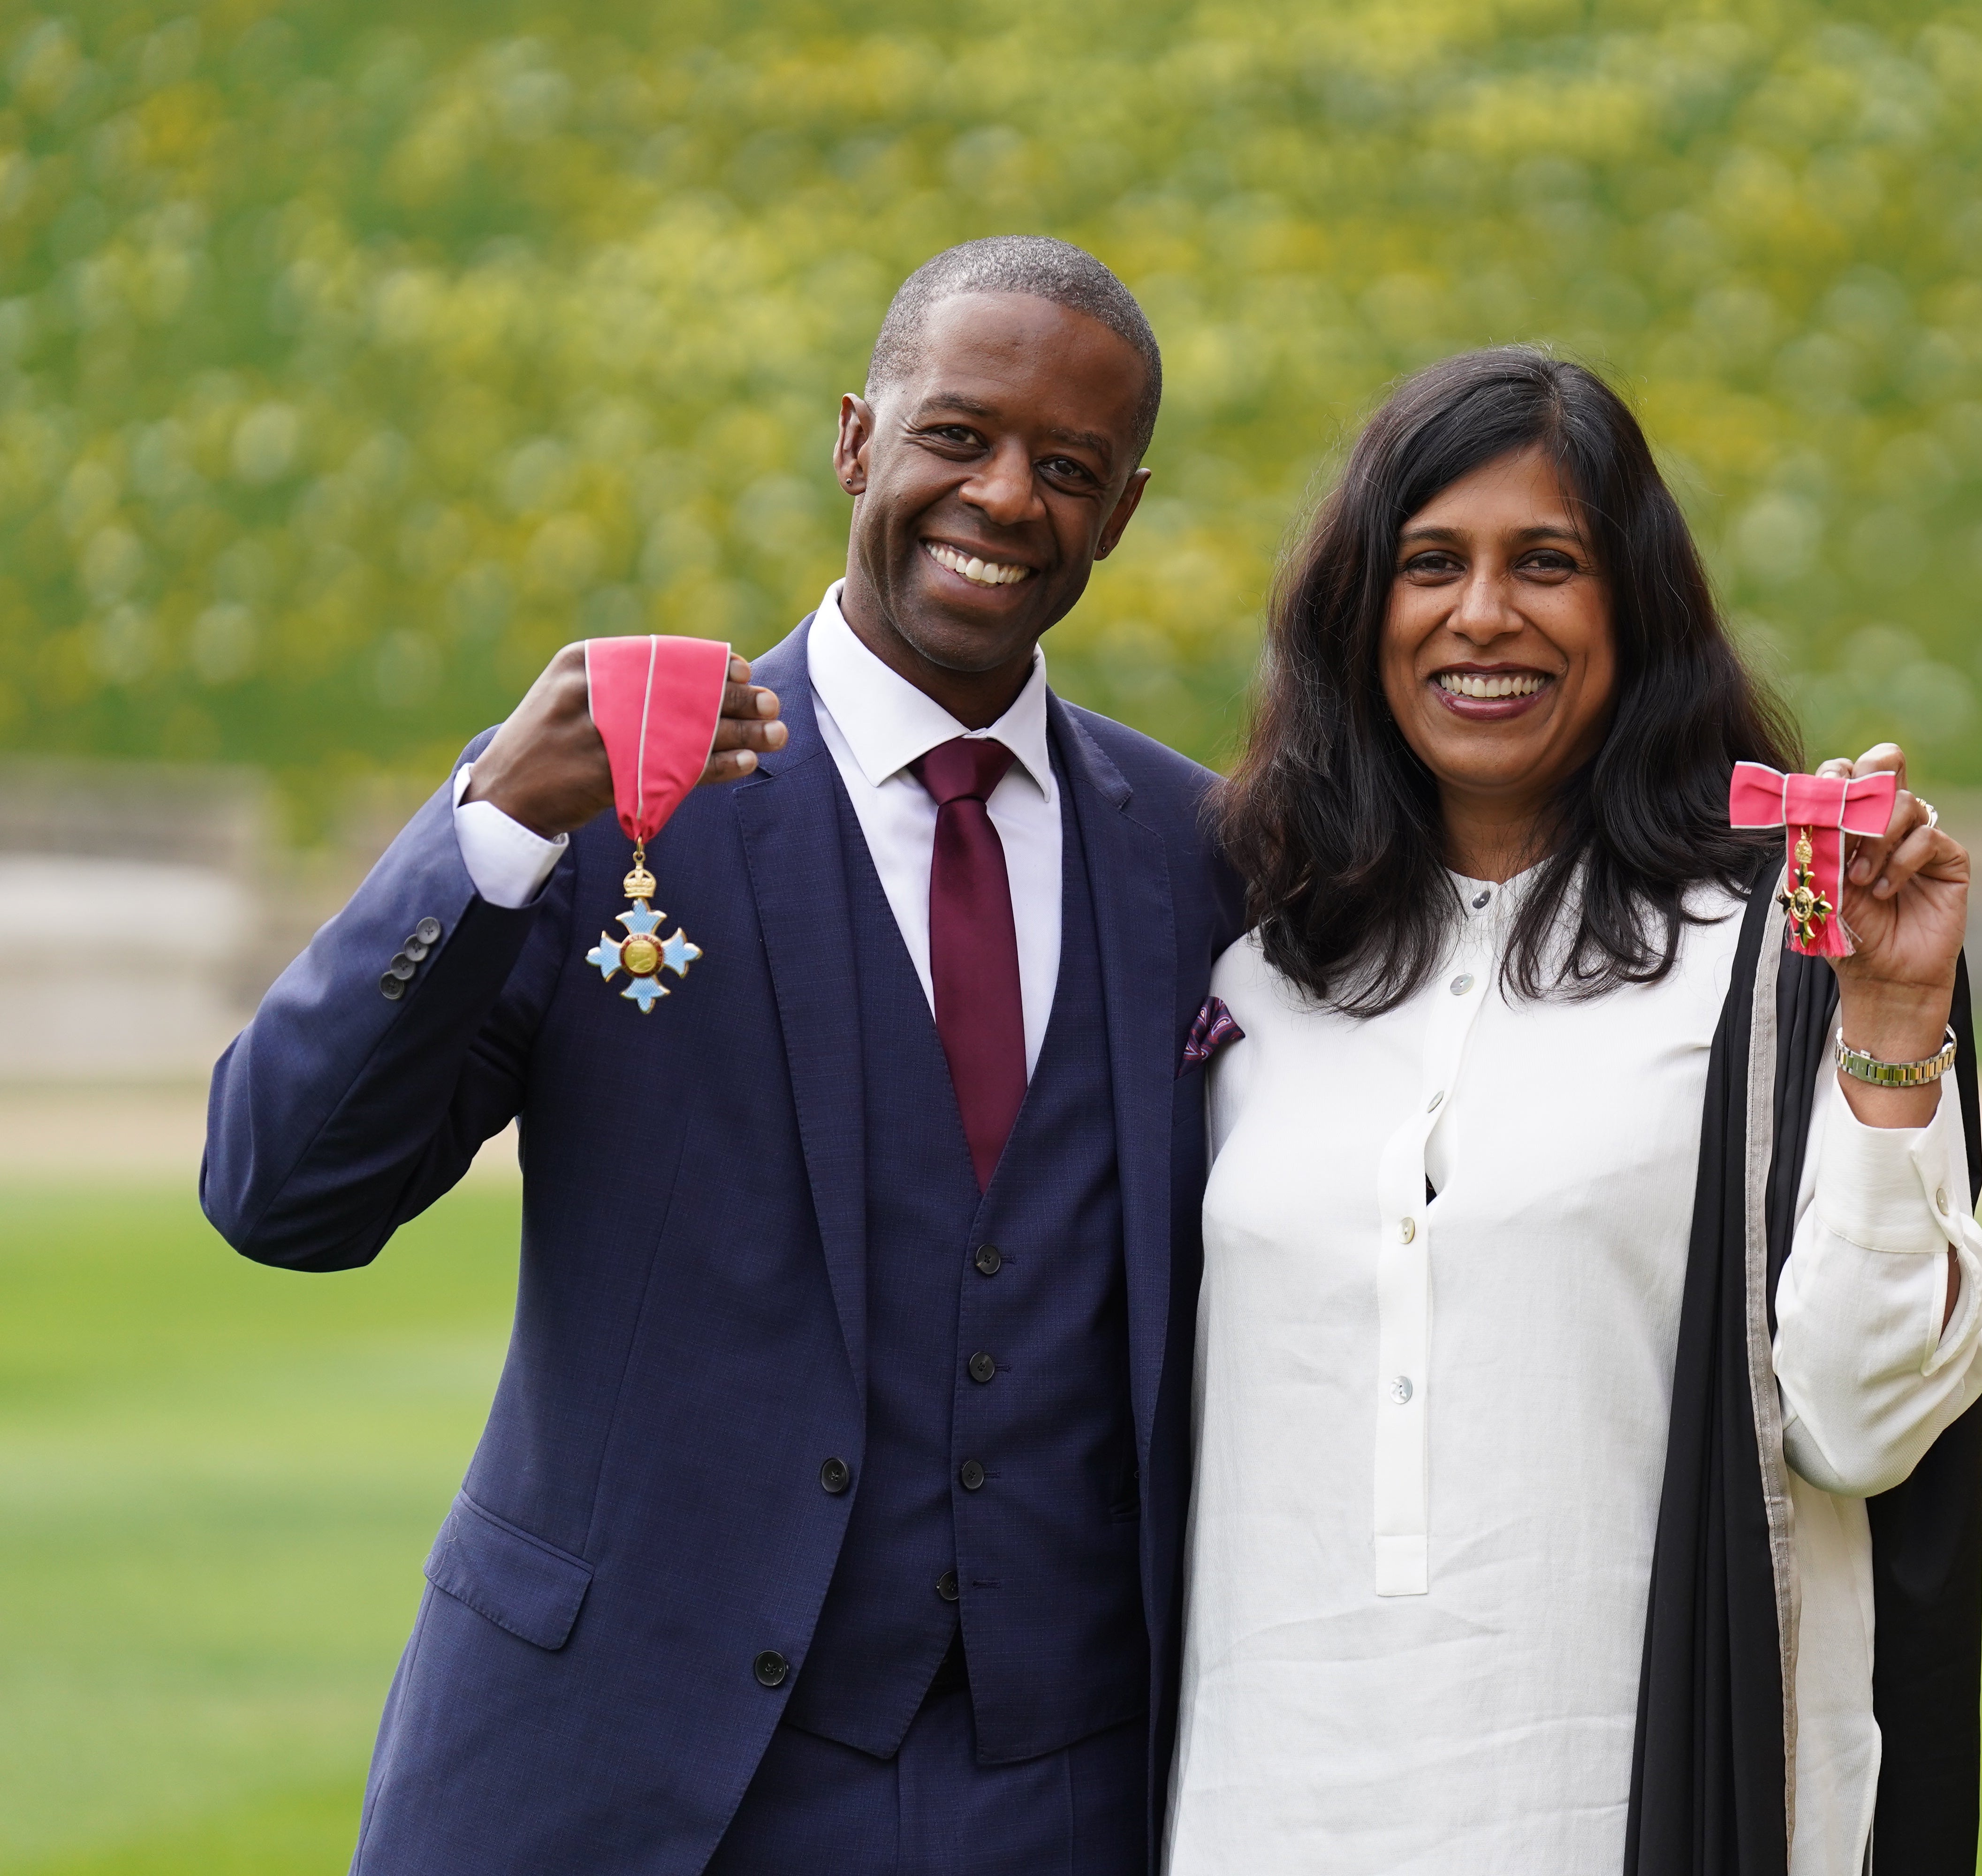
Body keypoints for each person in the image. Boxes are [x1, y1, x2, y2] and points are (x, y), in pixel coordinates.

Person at [201, 237, 1239, 1876]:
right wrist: (484, 830)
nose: (1004, 498)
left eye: (1070, 469)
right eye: (956, 437)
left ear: (1120, 512)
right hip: (630, 1767)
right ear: (856, 439)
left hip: (1058, 1796)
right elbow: (281, 1191)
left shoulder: (1200, 853)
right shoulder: (618, 792)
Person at [1167, 348, 1982, 1876]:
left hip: (1647, 1800)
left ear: (1635, 614)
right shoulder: (1260, 977)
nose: (1485, 615)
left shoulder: (1775, 960)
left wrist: (1890, 1027)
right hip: (1273, 1802)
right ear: (1365, 615)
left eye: (1547, 563)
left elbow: (1862, 1427)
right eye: (1432, 566)